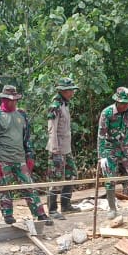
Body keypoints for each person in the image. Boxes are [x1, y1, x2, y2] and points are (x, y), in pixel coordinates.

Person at [0, 85, 52, 226]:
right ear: (4, 99)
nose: (14, 103)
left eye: (15, 100)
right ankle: (8, 216)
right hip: (3, 158)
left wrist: (30, 155)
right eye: (11, 100)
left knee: (29, 186)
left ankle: (40, 213)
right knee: (5, 188)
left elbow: (27, 137)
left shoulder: (22, 115)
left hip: (20, 157)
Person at [97, 87, 128, 217]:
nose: (126, 105)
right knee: (110, 178)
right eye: (124, 103)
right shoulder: (107, 113)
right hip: (110, 149)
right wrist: (101, 156)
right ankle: (112, 209)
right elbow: (101, 135)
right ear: (117, 101)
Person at [46, 77, 78, 220]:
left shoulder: (65, 104)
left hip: (66, 148)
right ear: (63, 91)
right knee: (56, 179)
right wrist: (55, 151)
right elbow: (52, 129)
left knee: (71, 174)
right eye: (70, 90)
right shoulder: (55, 105)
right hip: (57, 149)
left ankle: (66, 204)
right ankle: (52, 210)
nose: (72, 93)